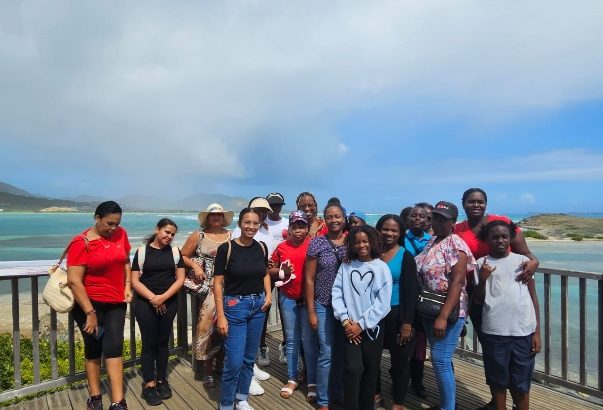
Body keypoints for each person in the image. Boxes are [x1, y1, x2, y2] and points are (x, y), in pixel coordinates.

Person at [455, 188, 539, 410]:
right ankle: (497, 400)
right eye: (471, 201)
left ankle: (516, 401)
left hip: (514, 305)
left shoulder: (501, 223)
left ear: (486, 203)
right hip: (480, 293)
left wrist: (534, 263)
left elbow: (528, 257)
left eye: (480, 201)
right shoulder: (458, 229)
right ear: (463, 203)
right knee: (494, 357)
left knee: (518, 368)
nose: (476, 205)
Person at [67, 201, 132, 410]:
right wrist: (90, 313)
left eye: (116, 223)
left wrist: (127, 285)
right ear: (97, 218)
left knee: (114, 347)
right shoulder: (81, 242)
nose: (113, 228)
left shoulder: (121, 234)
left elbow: (125, 260)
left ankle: (118, 401)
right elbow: (74, 281)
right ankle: (95, 397)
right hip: (89, 305)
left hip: (116, 303)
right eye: (109, 223)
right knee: (94, 348)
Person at [414, 201, 477, 410]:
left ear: (453, 222)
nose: (438, 222)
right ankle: (448, 403)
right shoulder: (434, 241)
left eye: (443, 219)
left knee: (439, 360)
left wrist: (443, 316)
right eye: (435, 218)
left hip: (448, 310)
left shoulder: (455, 244)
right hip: (430, 306)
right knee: (442, 358)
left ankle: (448, 407)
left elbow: (457, 281)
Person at [474, 220, 541, 410]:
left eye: (504, 236)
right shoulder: (481, 263)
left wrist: (537, 332)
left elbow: (533, 297)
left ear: (511, 237)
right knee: (497, 380)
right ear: (487, 239)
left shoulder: (523, 262)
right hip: (494, 331)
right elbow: (478, 300)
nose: (500, 240)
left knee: (521, 381)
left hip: (523, 332)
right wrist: (483, 279)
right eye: (495, 237)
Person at [214, 208, 272, 410]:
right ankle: (226, 403)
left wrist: (269, 295)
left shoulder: (261, 247)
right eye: (247, 222)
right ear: (239, 224)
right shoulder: (227, 249)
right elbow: (218, 283)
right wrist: (221, 315)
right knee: (234, 361)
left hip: (258, 306)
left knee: (249, 358)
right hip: (235, 307)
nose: (251, 226)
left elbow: (265, 273)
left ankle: (241, 398)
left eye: (255, 223)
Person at [332, 225, 392, 410]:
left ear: (372, 242)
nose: (361, 245)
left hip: (373, 330)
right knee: (353, 369)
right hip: (349, 328)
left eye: (365, 241)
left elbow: (383, 303)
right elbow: (337, 293)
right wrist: (345, 321)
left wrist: (362, 325)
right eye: (357, 242)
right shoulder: (347, 265)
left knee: (371, 371)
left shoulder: (381, 267)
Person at [131, 218, 185, 406]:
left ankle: (161, 379)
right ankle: (149, 384)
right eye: (166, 232)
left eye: (172, 234)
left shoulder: (175, 252)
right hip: (145, 303)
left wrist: (163, 298)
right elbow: (135, 281)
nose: (169, 236)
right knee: (149, 343)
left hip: (168, 303)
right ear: (157, 229)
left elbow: (180, 279)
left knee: (162, 343)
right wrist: (154, 298)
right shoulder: (142, 252)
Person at [181, 203, 233, 389]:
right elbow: (182, 256)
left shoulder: (232, 235)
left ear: (223, 218)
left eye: (219, 214)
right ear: (207, 218)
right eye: (213, 215)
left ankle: (222, 366)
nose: (216, 217)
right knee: (208, 328)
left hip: (230, 286)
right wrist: (195, 266)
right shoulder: (199, 235)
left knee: (228, 327)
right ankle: (207, 370)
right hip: (208, 288)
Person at [302, 202, 347, 409]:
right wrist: (311, 311)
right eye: (329, 217)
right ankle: (323, 400)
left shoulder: (353, 242)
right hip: (323, 304)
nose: (334, 220)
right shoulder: (317, 243)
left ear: (344, 218)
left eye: (337, 216)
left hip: (347, 306)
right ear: (324, 220)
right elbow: (309, 278)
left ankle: (339, 393)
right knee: (326, 352)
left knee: (343, 352)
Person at [375, 214, 419, 410]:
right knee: (372, 358)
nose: (389, 233)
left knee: (400, 361)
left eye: (394, 230)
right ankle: (376, 394)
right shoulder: (372, 253)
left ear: (400, 233)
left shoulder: (405, 256)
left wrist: (407, 323)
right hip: (374, 314)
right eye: (385, 229)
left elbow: (411, 292)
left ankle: (398, 402)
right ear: (378, 230)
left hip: (397, 313)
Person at [268, 211, 311, 399]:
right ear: (289, 228)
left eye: (302, 226)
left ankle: (312, 381)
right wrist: (281, 271)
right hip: (288, 298)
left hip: (309, 299)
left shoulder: (313, 244)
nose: (298, 230)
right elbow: (269, 270)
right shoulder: (281, 247)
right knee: (292, 340)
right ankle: (292, 378)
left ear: (307, 228)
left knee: (308, 341)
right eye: (294, 226)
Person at [232, 197, 277, 370]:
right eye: (259, 210)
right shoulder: (239, 230)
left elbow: (266, 257)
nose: (262, 214)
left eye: (265, 211)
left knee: (258, 323)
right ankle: (245, 368)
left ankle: (252, 365)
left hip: (262, 283)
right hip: (241, 288)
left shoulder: (266, 230)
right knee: (241, 330)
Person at [404, 205, 433, 399]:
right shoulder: (400, 237)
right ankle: (399, 377)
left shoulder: (432, 240)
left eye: (421, 216)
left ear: (427, 220)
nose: (417, 219)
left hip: (424, 296)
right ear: (407, 219)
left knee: (420, 343)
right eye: (413, 215)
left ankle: (417, 380)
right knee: (403, 338)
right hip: (404, 295)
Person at [265, 192, 290, 365]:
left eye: (278, 205)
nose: (275, 208)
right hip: (266, 272)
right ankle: (261, 347)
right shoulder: (261, 223)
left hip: (285, 272)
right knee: (263, 309)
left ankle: (286, 345)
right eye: (272, 205)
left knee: (285, 310)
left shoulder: (288, 224)